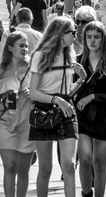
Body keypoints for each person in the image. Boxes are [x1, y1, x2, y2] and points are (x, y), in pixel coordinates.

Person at [28, 17, 82, 197]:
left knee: (69, 165)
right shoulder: (40, 55)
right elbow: (33, 92)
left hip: (66, 109)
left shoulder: (70, 53)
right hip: (43, 110)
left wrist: (82, 79)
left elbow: (68, 91)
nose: (75, 36)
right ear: (60, 34)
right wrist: (56, 100)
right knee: (45, 168)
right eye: (72, 32)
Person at [74, 21, 106, 197]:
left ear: (103, 39)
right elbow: (69, 90)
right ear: (84, 39)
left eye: (96, 37)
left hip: (105, 118)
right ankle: (86, 193)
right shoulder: (78, 62)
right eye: (89, 37)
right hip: (83, 117)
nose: (92, 41)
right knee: (85, 159)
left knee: (99, 162)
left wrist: (93, 96)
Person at [0, 31, 34, 197]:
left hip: (28, 124)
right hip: (5, 124)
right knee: (10, 167)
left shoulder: (34, 70)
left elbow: (43, 98)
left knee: (24, 171)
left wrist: (32, 95)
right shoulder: (1, 72)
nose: (25, 48)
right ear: (10, 48)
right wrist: (4, 102)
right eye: (21, 45)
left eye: (26, 45)